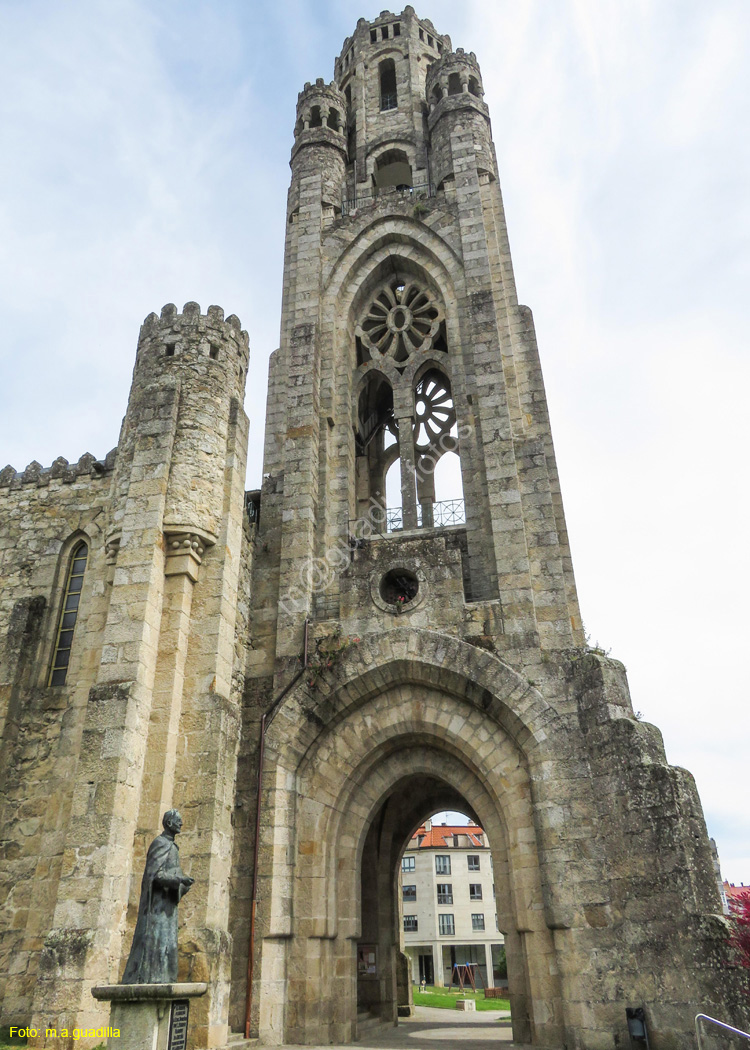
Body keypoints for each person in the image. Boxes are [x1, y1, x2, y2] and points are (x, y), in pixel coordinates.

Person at [122, 809, 194, 984]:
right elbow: (154, 875)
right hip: (156, 908)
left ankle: (161, 979)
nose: (181, 824)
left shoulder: (172, 846)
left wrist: (183, 886)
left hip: (167, 907)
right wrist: (179, 879)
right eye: (178, 821)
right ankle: (149, 978)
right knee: (156, 944)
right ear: (169, 823)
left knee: (167, 945)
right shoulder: (160, 843)